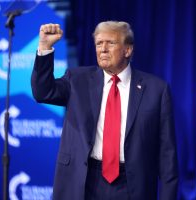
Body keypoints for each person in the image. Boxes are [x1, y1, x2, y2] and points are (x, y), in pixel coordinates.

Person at [31, 21, 178, 200]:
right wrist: (45, 48)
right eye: (99, 43)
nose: (103, 49)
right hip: (84, 180)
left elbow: (167, 155)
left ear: (128, 50)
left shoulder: (156, 90)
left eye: (111, 43)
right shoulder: (77, 79)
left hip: (132, 185)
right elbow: (43, 93)